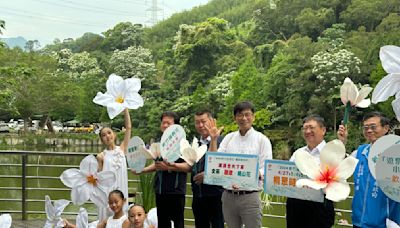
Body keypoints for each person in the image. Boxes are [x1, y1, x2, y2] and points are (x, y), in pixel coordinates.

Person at [209, 101, 273, 228]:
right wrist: (214, 139)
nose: (244, 118)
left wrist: (246, 175)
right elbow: (215, 162)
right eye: (240, 115)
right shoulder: (228, 138)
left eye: (247, 114)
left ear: (253, 117)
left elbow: (266, 169)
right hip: (228, 195)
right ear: (235, 118)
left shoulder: (262, 140)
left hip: (249, 196)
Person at [338, 111, 400, 228]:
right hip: (358, 221)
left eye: (373, 127)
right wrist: (342, 142)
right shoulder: (360, 152)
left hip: (384, 223)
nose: (369, 130)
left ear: (386, 128)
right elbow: (340, 167)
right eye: (365, 127)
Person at [133, 111, 191, 228]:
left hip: (176, 191)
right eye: (163, 123)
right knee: (163, 223)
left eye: (168, 123)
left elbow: (189, 167)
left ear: (176, 127)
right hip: (160, 190)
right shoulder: (159, 145)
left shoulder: (183, 144)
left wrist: (171, 166)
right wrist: (142, 170)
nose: (165, 126)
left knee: (178, 222)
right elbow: (157, 165)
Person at [286, 115, 335, 228]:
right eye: (305, 128)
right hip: (296, 204)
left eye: (311, 127)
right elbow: (288, 175)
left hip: (320, 205)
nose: (308, 131)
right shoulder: (298, 153)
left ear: (323, 130)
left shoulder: (332, 153)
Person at [191, 110, 224, 228]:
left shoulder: (223, 142)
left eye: (203, 121)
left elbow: (226, 167)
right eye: (197, 122)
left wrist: (208, 174)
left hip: (216, 196)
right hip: (198, 196)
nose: (200, 125)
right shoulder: (194, 144)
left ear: (212, 121)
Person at [96, 108, 131, 219]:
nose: (108, 136)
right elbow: (98, 178)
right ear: (102, 140)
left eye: (109, 133)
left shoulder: (122, 149)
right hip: (107, 190)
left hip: (121, 187)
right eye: (104, 135)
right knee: (108, 216)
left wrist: (125, 109)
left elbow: (129, 127)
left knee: (121, 217)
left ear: (114, 135)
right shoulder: (101, 156)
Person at [64, 190, 130, 228]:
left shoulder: (126, 221)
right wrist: (69, 225)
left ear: (123, 201)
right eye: (111, 203)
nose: (114, 205)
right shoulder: (107, 221)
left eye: (116, 202)